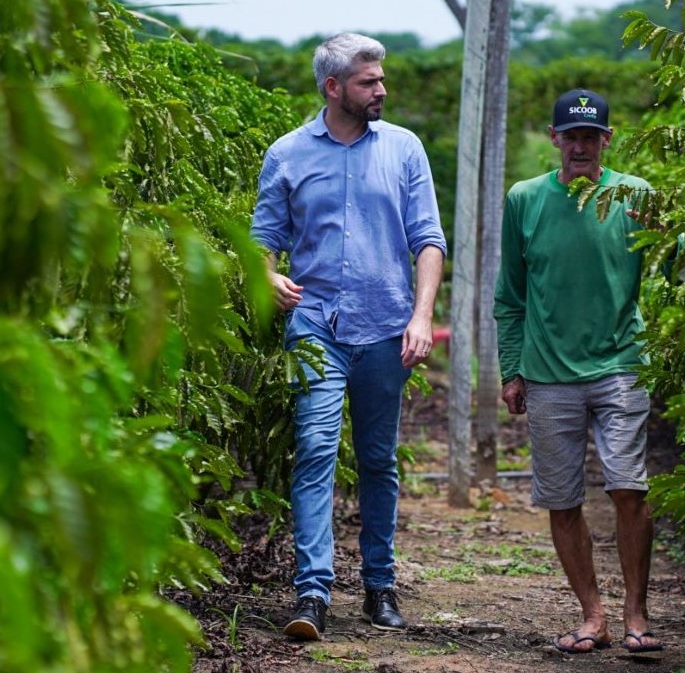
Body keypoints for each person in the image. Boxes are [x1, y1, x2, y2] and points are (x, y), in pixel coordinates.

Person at [250, 33, 447, 642]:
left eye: (381, 79)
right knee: (313, 449)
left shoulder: (405, 150)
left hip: (387, 327)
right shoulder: (286, 153)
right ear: (333, 88)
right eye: (368, 82)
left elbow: (429, 240)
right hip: (316, 325)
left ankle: (379, 586)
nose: (381, 89)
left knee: (378, 459)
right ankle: (312, 590)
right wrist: (269, 277)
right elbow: (262, 240)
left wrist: (421, 317)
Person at [493, 88, 665, 655]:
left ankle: (637, 613)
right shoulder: (525, 199)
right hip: (548, 374)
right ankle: (593, 616)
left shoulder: (636, 196)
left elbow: (670, 268)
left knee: (628, 487)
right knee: (561, 498)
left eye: (591, 137)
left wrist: (666, 343)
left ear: (606, 142)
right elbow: (511, 295)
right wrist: (512, 369)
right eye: (572, 136)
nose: (581, 146)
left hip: (621, 364)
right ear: (555, 139)